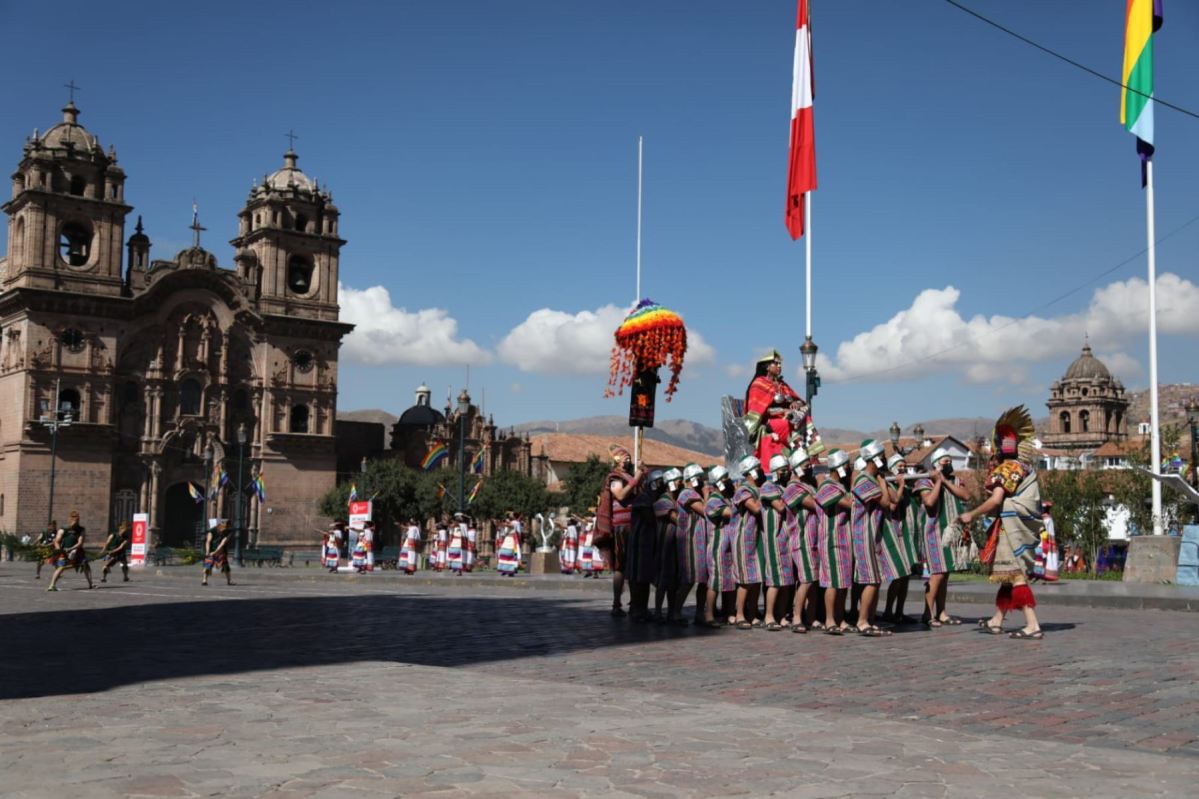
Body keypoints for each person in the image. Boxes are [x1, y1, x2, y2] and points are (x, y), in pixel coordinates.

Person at [960, 405, 1045, 640]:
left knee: (1016, 575)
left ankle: (1032, 624)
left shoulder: (1007, 470)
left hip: (1011, 529)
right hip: (1017, 525)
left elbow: (997, 499)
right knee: (1007, 577)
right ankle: (997, 620)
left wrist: (972, 514)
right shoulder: (1024, 467)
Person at [920, 447, 971, 628]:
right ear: (936, 465)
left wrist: (946, 482)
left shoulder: (957, 480)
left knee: (945, 573)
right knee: (937, 573)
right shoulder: (925, 482)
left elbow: (966, 495)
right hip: (934, 533)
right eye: (945, 462)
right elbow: (929, 502)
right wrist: (938, 483)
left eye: (950, 461)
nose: (949, 464)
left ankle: (941, 612)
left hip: (952, 533)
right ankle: (928, 613)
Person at [742, 351, 820, 468]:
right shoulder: (758, 384)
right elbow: (758, 411)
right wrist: (783, 411)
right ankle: (799, 457)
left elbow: (797, 400)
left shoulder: (782, 384)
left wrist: (796, 404)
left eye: (780, 364)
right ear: (767, 367)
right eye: (776, 363)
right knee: (788, 424)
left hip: (787, 418)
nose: (779, 366)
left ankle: (811, 456)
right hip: (768, 422)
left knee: (805, 418)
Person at [849, 441, 893, 636]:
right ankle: (862, 620)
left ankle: (871, 620)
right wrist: (883, 481)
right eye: (882, 456)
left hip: (873, 535)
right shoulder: (864, 480)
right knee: (871, 580)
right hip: (863, 535)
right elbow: (885, 502)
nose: (884, 459)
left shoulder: (872, 479)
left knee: (876, 580)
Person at [595, 445, 643, 617]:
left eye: (629, 458)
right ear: (617, 459)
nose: (627, 460)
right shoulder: (614, 477)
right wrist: (636, 478)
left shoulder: (629, 476)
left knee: (633, 566)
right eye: (625, 457)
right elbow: (621, 495)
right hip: (621, 528)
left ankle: (635, 603)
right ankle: (617, 603)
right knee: (621, 567)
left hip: (634, 525)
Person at [783, 448, 822, 633]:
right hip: (802, 539)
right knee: (806, 580)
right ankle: (797, 617)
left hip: (815, 538)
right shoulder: (792, 488)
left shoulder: (809, 486)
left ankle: (812, 616)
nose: (809, 469)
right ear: (797, 468)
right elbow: (816, 504)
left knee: (813, 581)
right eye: (806, 466)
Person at [815, 450, 853, 634]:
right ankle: (830, 619)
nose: (849, 467)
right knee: (832, 582)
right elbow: (852, 504)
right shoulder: (827, 487)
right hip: (831, 540)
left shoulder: (840, 486)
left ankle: (840, 617)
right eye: (847, 464)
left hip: (844, 540)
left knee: (843, 582)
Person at [880, 454, 919, 625]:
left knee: (905, 577)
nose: (903, 469)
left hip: (908, 536)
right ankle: (888, 611)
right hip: (896, 535)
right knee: (897, 576)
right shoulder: (887, 485)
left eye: (904, 466)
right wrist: (901, 485)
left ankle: (899, 612)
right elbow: (893, 505)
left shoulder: (908, 487)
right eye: (899, 466)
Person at [760, 455, 796, 631]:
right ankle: (769, 616)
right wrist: (792, 491)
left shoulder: (784, 488)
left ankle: (781, 615)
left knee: (787, 581)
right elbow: (781, 507)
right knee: (775, 580)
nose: (786, 473)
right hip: (775, 539)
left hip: (787, 539)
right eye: (783, 471)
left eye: (787, 470)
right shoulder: (768, 487)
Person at [731, 455, 765, 630]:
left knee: (757, 579)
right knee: (745, 579)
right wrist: (766, 492)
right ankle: (740, 615)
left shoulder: (756, 489)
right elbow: (756, 508)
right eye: (757, 468)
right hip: (743, 539)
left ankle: (752, 614)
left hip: (757, 538)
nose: (760, 470)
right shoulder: (743, 490)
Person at [627, 470, 664, 622]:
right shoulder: (644, 498)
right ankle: (636, 609)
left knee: (645, 577)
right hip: (639, 543)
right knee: (638, 578)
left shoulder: (652, 499)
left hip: (648, 544)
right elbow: (650, 519)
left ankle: (642, 608)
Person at [704, 466, 739, 626]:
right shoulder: (713, 501)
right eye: (725, 478)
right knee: (716, 582)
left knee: (730, 581)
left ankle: (729, 612)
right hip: (718, 547)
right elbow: (730, 513)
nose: (729, 481)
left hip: (730, 546)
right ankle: (709, 614)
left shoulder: (726, 498)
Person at [677, 464, 710, 626]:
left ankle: (699, 613)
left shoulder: (693, 494)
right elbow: (706, 510)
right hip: (689, 542)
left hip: (701, 542)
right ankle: (675, 611)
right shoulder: (686, 494)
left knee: (703, 580)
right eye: (700, 479)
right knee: (688, 580)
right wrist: (706, 494)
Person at [653, 468, 687, 625]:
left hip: (676, 545)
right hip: (665, 545)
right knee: (663, 580)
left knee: (674, 581)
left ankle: (672, 612)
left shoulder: (676, 500)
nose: (681, 484)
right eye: (679, 481)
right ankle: (658, 611)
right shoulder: (663, 501)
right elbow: (678, 519)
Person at [46, 511, 93, 591]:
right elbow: (56, 541)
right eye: (74, 520)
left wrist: (72, 549)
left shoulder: (81, 529)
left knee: (85, 565)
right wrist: (59, 550)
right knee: (61, 567)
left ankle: (90, 584)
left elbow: (80, 542)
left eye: (77, 520)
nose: (76, 522)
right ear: (70, 519)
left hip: (78, 551)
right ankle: (52, 585)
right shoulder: (63, 529)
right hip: (64, 552)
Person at [202, 519, 235, 587]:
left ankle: (229, 581)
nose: (224, 529)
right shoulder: (212, 530)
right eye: (223, 527)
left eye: (226, 527)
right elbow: (208, 541)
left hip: (221, 551)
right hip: (211, 550)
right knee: (207, 565)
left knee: (225, 566)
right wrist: (208, 551)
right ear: (220, 525)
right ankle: (204, 580)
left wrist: (215, 552)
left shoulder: (229, 532)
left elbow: (222, 543)